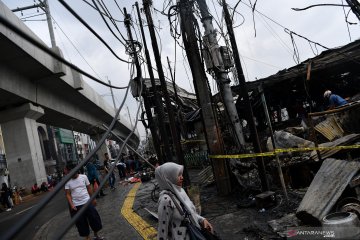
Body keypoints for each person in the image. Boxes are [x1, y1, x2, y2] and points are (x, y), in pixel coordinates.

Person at [155, 162, 213, 240]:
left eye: (181, 174)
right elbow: (162, 232)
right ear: (169, 177)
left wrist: (202, 220)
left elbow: (189, 213)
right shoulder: (165, 200)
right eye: (178, 175)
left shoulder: (180, 191)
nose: (182, 177)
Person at [64, 164, 103, 240]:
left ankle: (96, 235)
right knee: (81, 223)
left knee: (94, 219)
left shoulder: (83, 177)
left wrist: (93, 199)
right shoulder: (67, 181)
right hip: (77, 205)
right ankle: (87, 238)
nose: (73, 173)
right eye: (71, 172)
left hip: (87, 202)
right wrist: (72, 205)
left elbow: (89, 188)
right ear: (69, 172)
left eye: (74, 171)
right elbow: (68, 194)